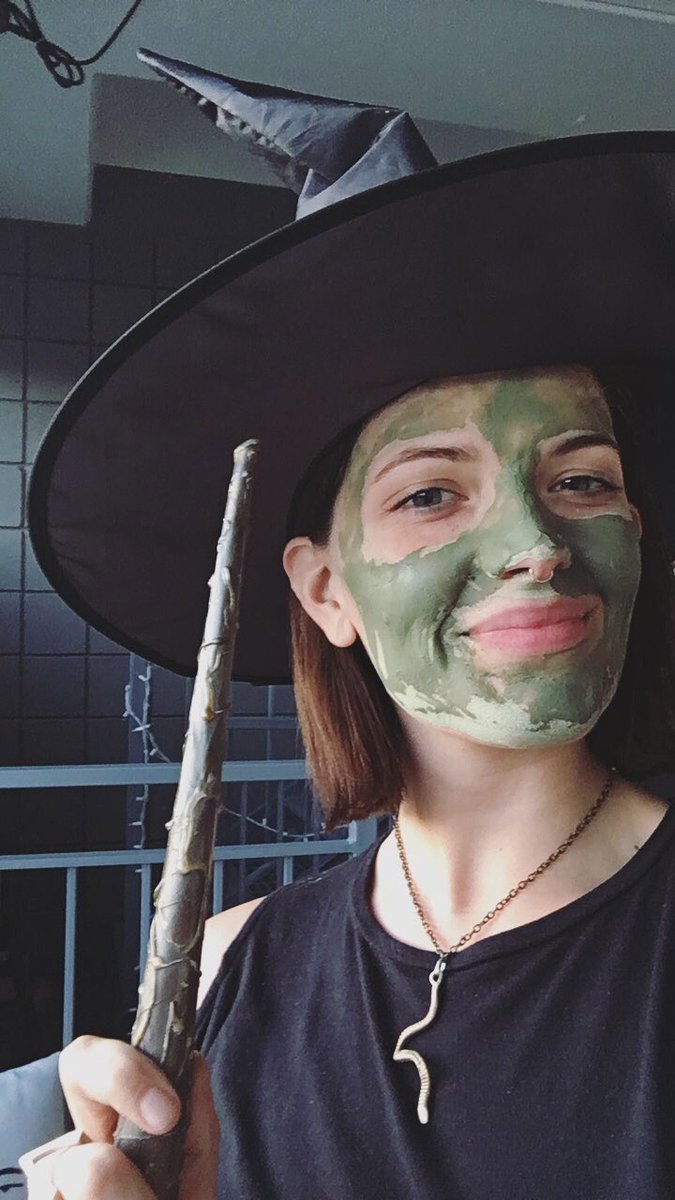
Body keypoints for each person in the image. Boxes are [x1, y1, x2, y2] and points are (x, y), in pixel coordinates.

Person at [22, 53, 675, 1200]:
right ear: (326, 590)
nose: (536, 543)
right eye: (431, 494)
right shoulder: (232, 968)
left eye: (581, 480)